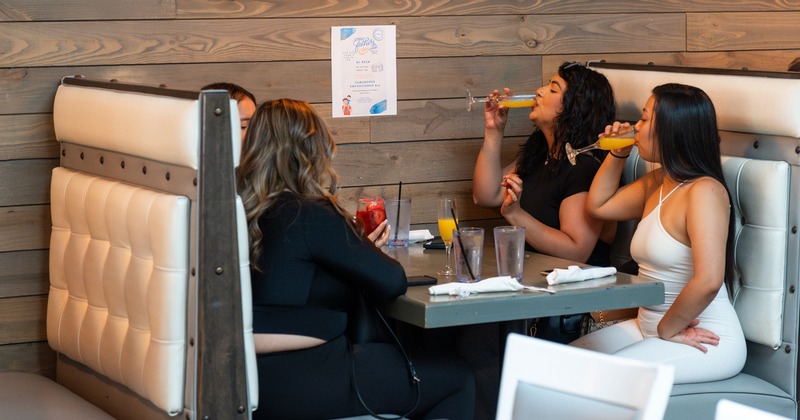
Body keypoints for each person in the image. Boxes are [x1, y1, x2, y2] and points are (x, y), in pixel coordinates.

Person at [237, 98, 475, 419]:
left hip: (248, 380)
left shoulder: (242, 210)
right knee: (457, 378)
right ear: (308, 150)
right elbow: (392, 281)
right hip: (308, 378)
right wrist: (364, 244)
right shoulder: (308, 213)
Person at [571, 83, 746, 384]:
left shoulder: (705, 191)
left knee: (598, 379)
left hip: (706, 337)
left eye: (644, 118)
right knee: (561, 364)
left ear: (671, 129)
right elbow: (598, 206)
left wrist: (667, 329)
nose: (636, 127)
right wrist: (618, 152)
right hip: (650, 327)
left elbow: (708, 280)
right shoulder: (659, 182)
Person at [472, 61, 617, 342]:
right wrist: (493, 131)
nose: (538, 91)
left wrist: (515, 214)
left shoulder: (584, 167)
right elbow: (486, 194)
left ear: (574, 107)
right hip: (533, 292)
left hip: (569, 307)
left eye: (552, 88)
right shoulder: (541, 153)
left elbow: (576, 252)